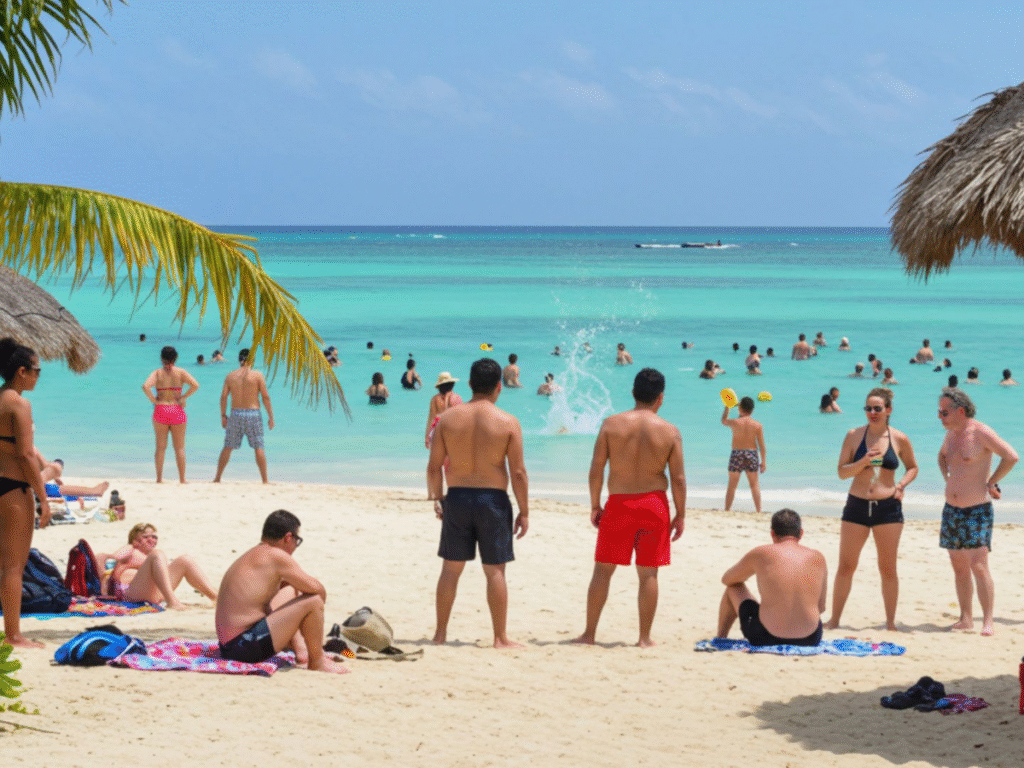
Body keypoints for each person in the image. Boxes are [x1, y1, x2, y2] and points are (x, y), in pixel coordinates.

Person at [574, 368, 685, 647]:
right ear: (661, 398)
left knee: (602, 571)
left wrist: (595, 504)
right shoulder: (670, 431)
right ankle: (644, 638)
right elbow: (679, 478)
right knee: (648, 573)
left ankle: (589, 634)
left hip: (619, 504)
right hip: (654, 505)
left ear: (633, 393)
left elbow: (596, 468)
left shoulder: (611, 424)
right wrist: (681, 513)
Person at [427, 358, 529, 648]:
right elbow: (518, 472)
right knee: (495, 570)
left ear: (470, 384)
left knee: (450, 568)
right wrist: (524, 510)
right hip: (493, 500)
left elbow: (434, 466)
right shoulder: (508, 422)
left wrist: (437, 498)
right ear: (499, 386)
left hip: (457, 497)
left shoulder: (447, 419)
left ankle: (440, 634)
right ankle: (499, 637)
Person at [826, 388, 918, 631]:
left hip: (888, 509)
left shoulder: (899, 438)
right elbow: (841, 472)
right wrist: (863, 462)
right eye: (868, 408)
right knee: (846, 566)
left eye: (877, 408)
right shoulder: (853, 435)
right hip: (856, 505)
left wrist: (901, 485)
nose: (872, 413)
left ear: (889, 410)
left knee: (887, 568)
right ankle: (834, 620)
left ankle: (890, 623)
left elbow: (912, 467)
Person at [216, 509, 347, 673]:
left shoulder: (255, 554)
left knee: (292, 589)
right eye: (297, 541)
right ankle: (317, 661)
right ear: (288, 537)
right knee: (313, 601)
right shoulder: (276, 556)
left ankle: (303, 652)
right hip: (244, 647)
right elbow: (319, 591)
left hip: (231, 645)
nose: (295, 547)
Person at [938, 387, 1018, 635]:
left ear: (960, 411)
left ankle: (988, 621)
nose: (940, 417)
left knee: (979, 565)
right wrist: (947, 477)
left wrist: (991, 481)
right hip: (951, 509)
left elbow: (1011, 456)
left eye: (944, 412)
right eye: (938, 412)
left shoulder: (980, 432)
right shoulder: (951, 434)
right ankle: (966, 618)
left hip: (976, 510)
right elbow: (941, 457)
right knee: (958, 564)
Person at [715, 509, 827, 646]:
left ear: (772, 533)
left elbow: (727, 580)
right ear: (801, 533)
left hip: (765, 636)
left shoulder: (761, 553)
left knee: (733, 587)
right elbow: (821, 607)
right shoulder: (818, 557)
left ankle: (720, 639)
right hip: (811, 638)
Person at [0, 338, 49, 648]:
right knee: (13, 566)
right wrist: (44, 497)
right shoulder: (19, 403)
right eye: (36, 370)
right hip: (14, 490)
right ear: (21, 371)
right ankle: (14, 635)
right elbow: (26, 455)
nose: (37, 376)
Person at [101, 523, 218, 609]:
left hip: (152, 593)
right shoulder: (131, 549)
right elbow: (113, 557)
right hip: (129, 595)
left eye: (154, 537)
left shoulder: (151, 559)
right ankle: (172, 601)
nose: (152, 540)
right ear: (136, 541)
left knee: (185, 559)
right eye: (146, 537)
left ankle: (216, 598)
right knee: (158, 554)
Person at [213, 348, 275, 484]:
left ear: (239, 360)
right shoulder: (257, 375)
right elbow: (265, 397)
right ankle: (265, 480)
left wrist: (223, 415)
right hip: (253, 413)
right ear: (251, 360)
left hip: (236, 413)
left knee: (228, 446)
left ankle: (217, 478)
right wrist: (270, 416)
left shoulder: (230, 376)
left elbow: (223, 397)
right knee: (258, 446)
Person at [142, 346, 199, 484]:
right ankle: (182, 479)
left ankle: (159, 478)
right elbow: (195, 385)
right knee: (179, 447)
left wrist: (154, 401)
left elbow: (145, 386)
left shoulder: (157, 373)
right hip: (176, 409)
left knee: (161, 447)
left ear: (162, 358)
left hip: (161, 409)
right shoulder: (180, 372)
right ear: (175, 358)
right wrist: (183, 397)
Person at [722, 396, 766, 514]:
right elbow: (761, 446)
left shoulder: (735, 422)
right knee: (754, 485)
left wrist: (727, 406)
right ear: (752, 410)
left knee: (732, 485)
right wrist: (764, 462)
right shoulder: (757, 425)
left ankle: (726, 510)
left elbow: (723, 421)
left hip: (737, 453)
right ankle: (758, 510)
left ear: (739, 408)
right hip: (751, 453)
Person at [425, 372, 463, 449]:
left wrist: (427, 436)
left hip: (436, 431)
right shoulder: (456, 398)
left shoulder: (435, 399)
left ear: (439, 386)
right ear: (451, 385)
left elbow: (431, 418)